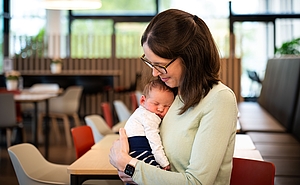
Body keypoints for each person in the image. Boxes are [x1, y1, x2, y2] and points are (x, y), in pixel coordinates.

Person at [109, 8, 238, 185]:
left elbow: (197, 182)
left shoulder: (219, 99)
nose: (154, 73)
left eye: (160, 65)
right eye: (150, 63)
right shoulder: (174, 95)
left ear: (190, 57)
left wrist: (130, 166)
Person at [124, 79, 174, 171]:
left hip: (133, 147)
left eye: (167, 106)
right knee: (155, 172)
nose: (160, 109)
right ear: (143, 100)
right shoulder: (149, 115)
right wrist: (163, 161)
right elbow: (153, 139)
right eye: (156, 103)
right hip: (139, 147)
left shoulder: (141, 112)